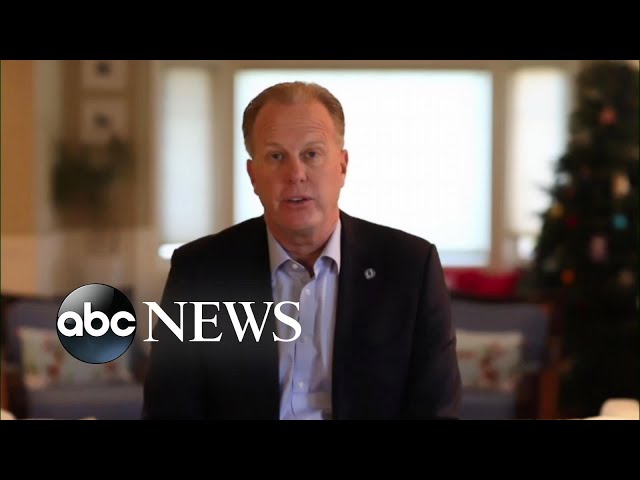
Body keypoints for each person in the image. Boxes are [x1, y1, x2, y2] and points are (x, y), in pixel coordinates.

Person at [142, 81, 461, 419]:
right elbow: (169, 409)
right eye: (276, 156)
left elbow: (437, 410)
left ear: (342, 166)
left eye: (312, 154)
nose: (295, 174)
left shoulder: (411, 267)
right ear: (253, 175)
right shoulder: (200, 271)